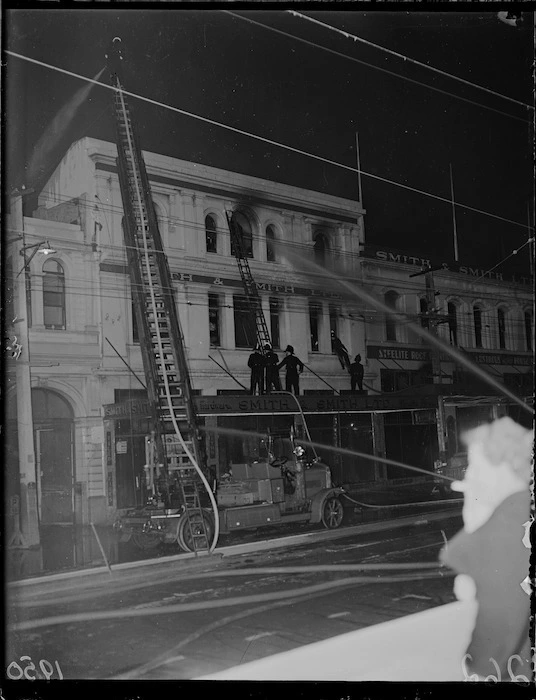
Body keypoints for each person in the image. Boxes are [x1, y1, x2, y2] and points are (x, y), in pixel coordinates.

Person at [439, 417, 533, 682]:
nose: (467, 476)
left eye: (475, 465)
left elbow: (486, 663)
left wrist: (477, 519)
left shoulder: (504, 535)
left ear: (501, 468)